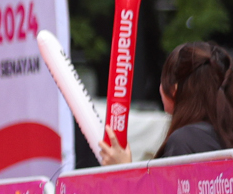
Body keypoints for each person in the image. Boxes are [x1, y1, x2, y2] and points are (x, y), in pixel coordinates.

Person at [98, 41, 233, 164]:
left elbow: (173, 185)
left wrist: (123, 169)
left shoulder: (184, 141)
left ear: (174, 89)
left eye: (162, 81)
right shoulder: (222, 134)